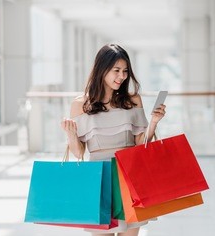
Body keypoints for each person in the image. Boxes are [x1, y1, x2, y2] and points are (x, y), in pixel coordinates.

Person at [61, 43, 166, 236]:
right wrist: (70, 133)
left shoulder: (132, 100)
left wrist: (153, 123)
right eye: (116, 70)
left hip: (130, 174)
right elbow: (78, 153)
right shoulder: (80, 105)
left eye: (125, 71)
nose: (122, 76)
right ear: (102, 69)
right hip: (99, 178)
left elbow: (140, 146)